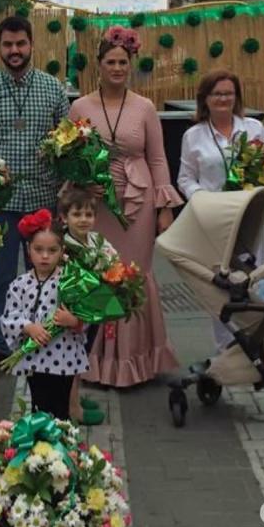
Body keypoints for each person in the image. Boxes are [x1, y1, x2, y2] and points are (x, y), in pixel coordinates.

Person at [68, 26, 181, 388]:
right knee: (98, 273)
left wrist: (165, 208)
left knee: (134, 275)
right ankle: (97, 360)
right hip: (96, 205)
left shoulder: (145, 107)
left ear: (130, 65)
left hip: (138, 204)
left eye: (123, 62)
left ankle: (134, 361)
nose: (117, 68)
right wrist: (80, 184)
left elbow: (159, 159)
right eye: (110, 62)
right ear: (98, 66)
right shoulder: (79, 106)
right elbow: (69, 156)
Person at [0, 15, 69, 374]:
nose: (14, 51)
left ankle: (47, 338)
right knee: (2, 279)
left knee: (47, 274)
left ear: (32, 44)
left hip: (43, 200)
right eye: (8, 44)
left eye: (20, 43)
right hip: (2, 206)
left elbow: (67, 146)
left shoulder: (53, 89)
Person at [0, 210, 89, 420]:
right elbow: (9, 316)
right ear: (28, 249)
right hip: (35, 358)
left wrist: (74, 321)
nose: (45, 256)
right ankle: (41, 448)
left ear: (62, 251)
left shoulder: (70, 281)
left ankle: (62, 447)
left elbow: (86, 316)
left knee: (60, 409)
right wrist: (28, 326)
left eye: (52, 250)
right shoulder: (20, 284)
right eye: (38, 250)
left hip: (64, 356)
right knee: (39, 405)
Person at [57, 183, 118, 421]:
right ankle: (73, 409)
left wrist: (116, 278)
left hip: (93, 308)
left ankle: (73, 396)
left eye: (88, 214)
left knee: (83, 355)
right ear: (64, 217)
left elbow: (113, 264)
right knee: (72, 358)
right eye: (76, 214)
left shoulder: (97, 241)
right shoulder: (63, 246)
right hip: (70, 313)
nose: (83, 219)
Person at [177, 69, 264, 197]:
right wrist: (200, 196)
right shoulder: (192, 136)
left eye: (229, 93)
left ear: (236, 97)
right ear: (205, 98)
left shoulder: (255, 128)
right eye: (217, 94)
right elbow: (185, 179)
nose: (223, 98)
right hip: (212, 209)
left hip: (250, 207)